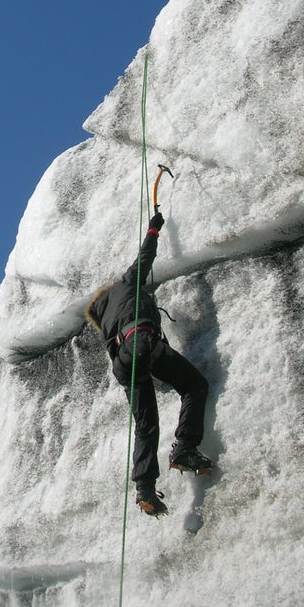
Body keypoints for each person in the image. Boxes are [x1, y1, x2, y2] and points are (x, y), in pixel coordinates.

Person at [85, 211, 212, 517]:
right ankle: (184, 448)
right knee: (194, 385)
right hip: (142, 342)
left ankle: (144, 488)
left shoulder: (105, 320)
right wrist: (154, 230)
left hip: (124, 360)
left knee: (145, 425)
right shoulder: (124, 286)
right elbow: (144, 261)